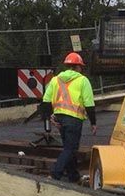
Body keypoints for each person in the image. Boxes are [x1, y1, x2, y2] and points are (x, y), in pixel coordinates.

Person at [40, 52, 97, 182]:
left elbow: (46, 100)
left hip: (59, 117)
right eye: (81, 67)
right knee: (71, 148)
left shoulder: (55, 80)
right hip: (74, 119)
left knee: (68, 147)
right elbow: (89, 104)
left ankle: (73, 175)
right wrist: (93, 123)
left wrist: (50, 117)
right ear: (77, 67)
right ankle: (55, 173)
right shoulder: (83, 80)